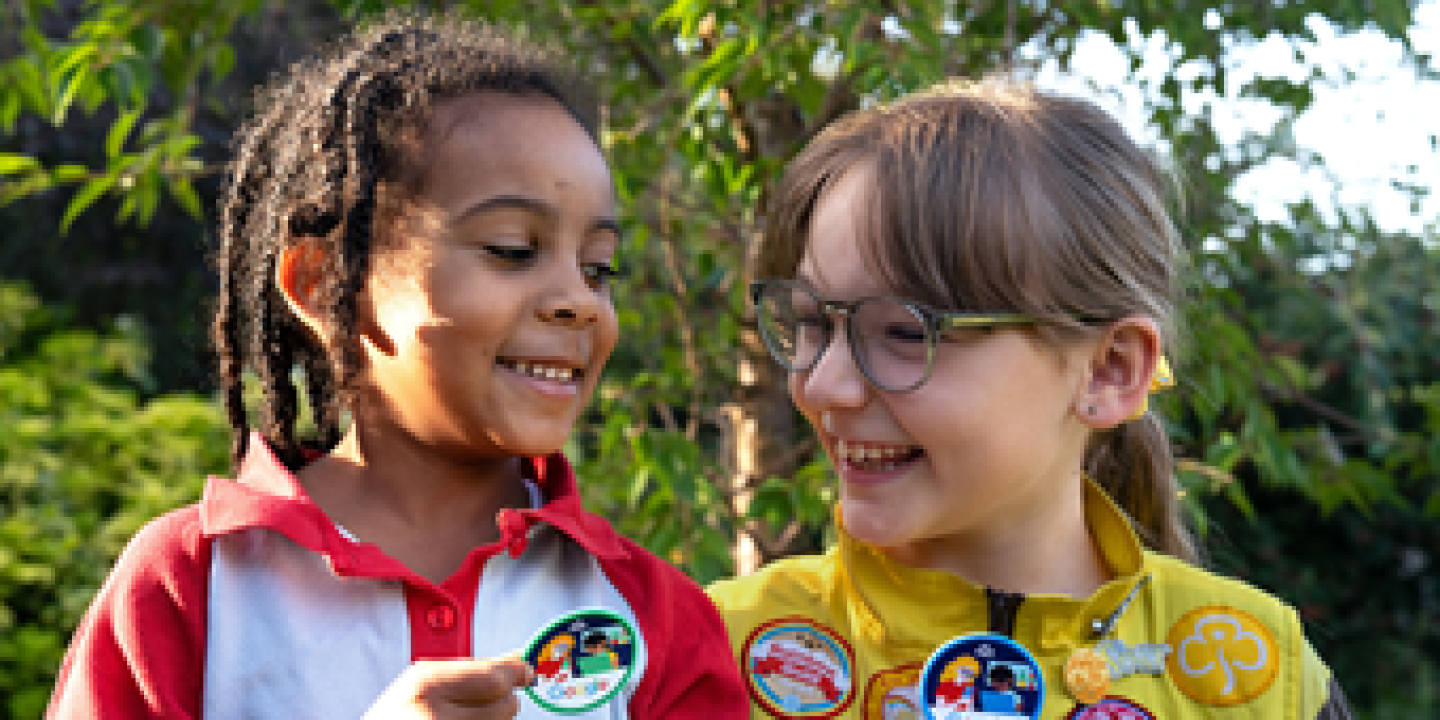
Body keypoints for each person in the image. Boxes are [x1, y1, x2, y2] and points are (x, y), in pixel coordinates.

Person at [47, 12, 746, 719]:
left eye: (598, 268)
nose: (579, 302)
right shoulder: (190, 585)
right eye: (511, 249)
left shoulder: (657, 617)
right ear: (325, 286)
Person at [707, 78, 1352, 719]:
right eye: (812, 322)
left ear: (1109, 371)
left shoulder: (1262, 684)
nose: (823, 386)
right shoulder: (707, 656)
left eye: (904, 332)